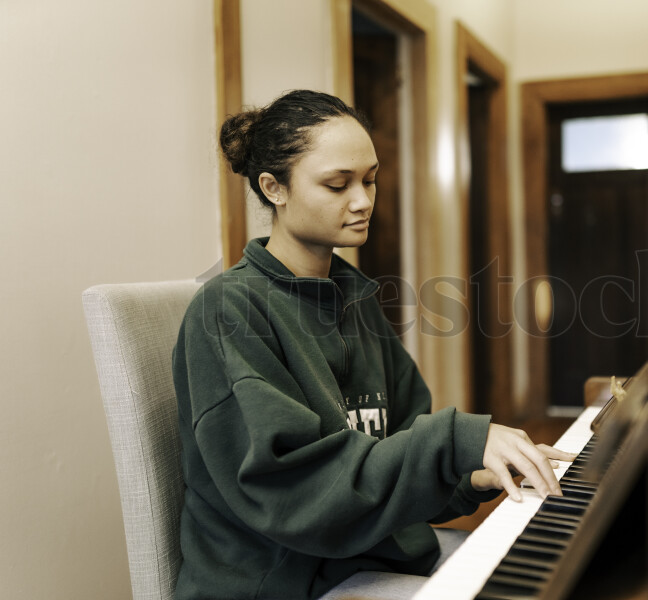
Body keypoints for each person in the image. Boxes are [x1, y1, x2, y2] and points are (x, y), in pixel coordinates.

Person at [172, 89, 575, 600]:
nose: (363, 201)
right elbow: (297, 495)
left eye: (369, 180)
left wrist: (472, 473)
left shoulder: (352, 298)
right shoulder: (228, 312)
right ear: (274, 188)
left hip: (370, 555)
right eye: (337, 184)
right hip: (285, 582)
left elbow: (400, 444)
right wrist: (455, 443)